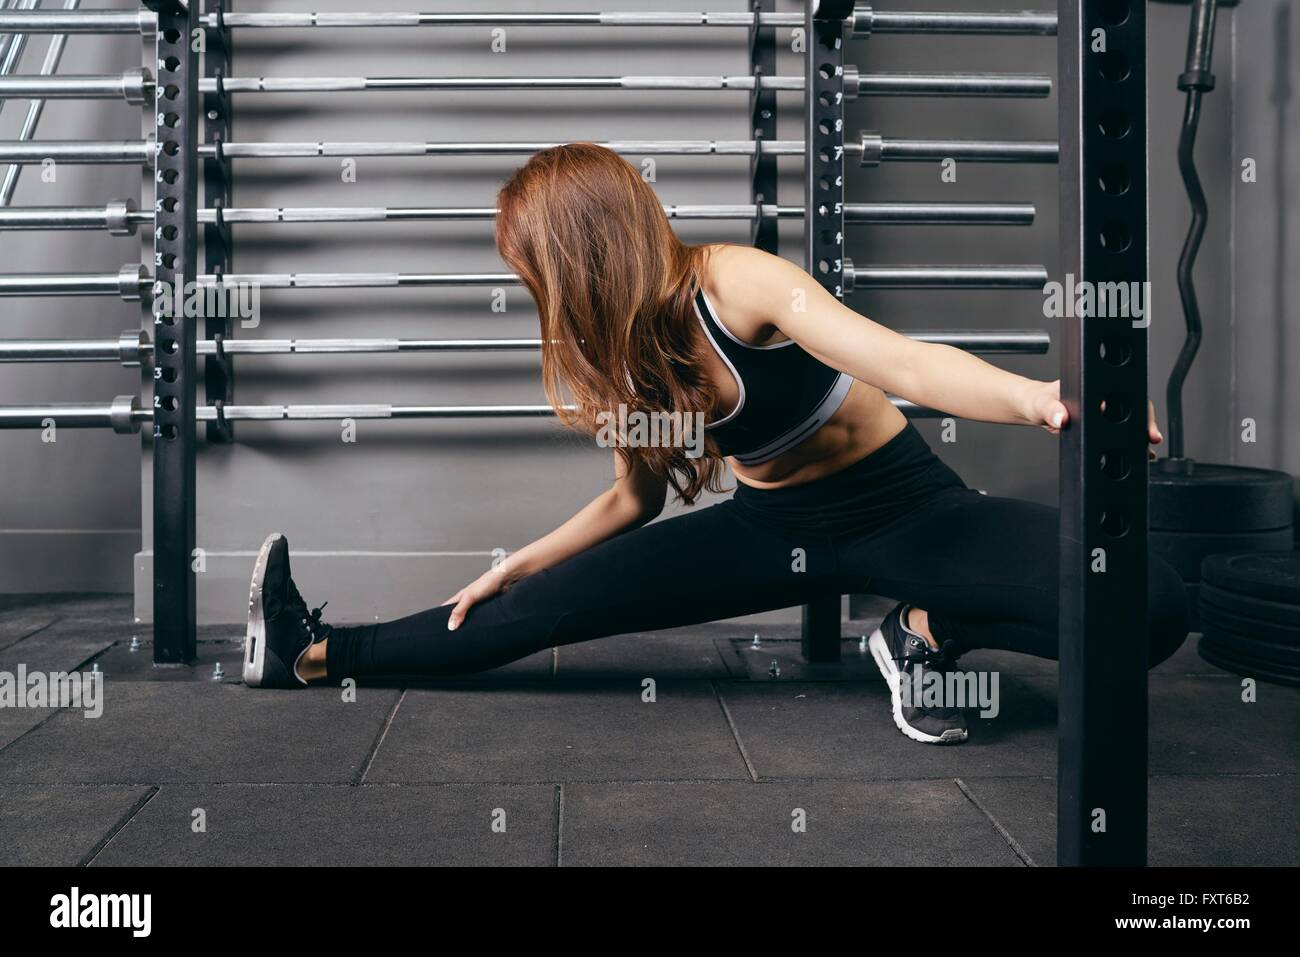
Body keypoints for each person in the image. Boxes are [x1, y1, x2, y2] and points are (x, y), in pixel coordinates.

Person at [242, 143, 1188, 745]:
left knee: (1147, 607)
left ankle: (922, 629)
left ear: (579, 254)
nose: (531, 289)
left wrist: (1042, 399)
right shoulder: (617, 351)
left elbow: (900, 361)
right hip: (771, 526)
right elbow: (634, 500)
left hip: (905, 509)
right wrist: (515, 566)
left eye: (531, 268)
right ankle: (312, 650)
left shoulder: (736, 282)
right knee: (532, 613)